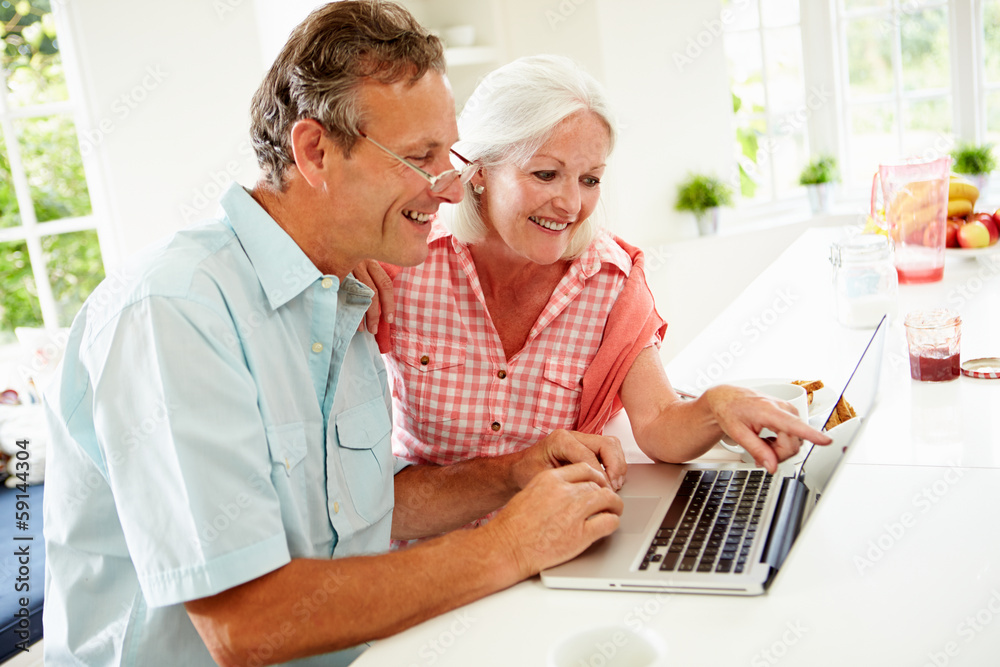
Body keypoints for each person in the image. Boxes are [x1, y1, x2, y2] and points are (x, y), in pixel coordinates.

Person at [41, 5, 626, 665]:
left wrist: (510, 474)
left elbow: (357, 509)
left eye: (449, 151)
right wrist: (510, 546)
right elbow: (246, 622)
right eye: (419, 156)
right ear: (315, 152)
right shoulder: (174, 312)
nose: (452, 184)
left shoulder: (342, 288)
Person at [363, 55, 830, 508]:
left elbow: (659, 423)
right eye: (546, 174)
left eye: (590, 179)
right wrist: (342, 266)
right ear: (479, 169)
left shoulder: (612, 282)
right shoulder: (404, 261)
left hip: (555, 548)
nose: (570, 204)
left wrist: (716, 406)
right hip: (427, 547)